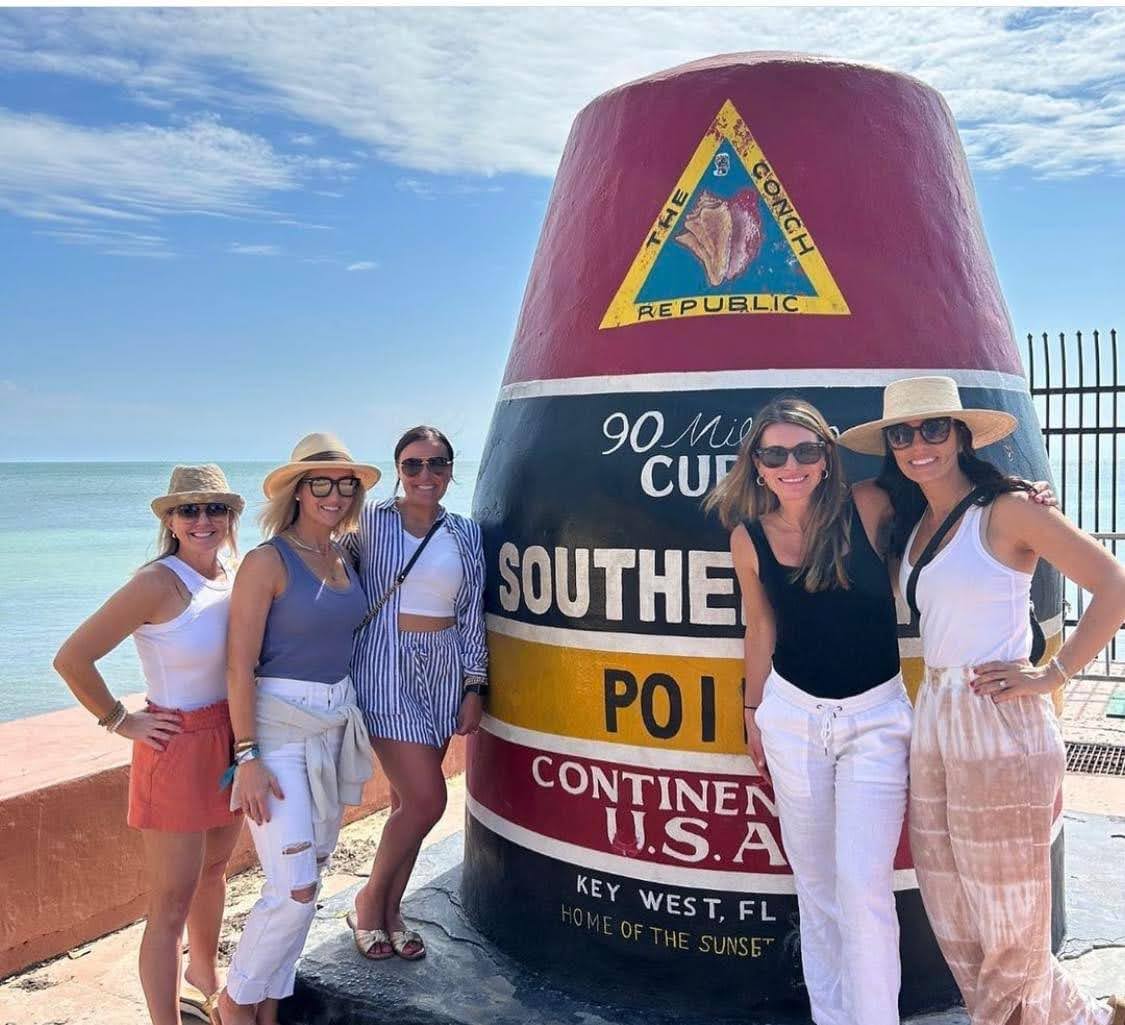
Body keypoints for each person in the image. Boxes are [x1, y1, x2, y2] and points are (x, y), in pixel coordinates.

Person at [840, 375, 1125, 1025]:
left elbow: (1112, 584)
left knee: (1008, 915)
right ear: (889, 445)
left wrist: (1053, 674)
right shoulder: (914, 523)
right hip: (936, 713)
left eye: (933, 428)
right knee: (951, 904)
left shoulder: (1007, 509)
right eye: (902, 434)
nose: (919, 445)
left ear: (961, 434)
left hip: (997, 719)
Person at [706, 396, 910, 1025]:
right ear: (756, 464)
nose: (790, 464)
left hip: (875, 717)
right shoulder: (749, 535)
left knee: (863, 886)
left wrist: (1021, 492)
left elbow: (953, 503)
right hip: (792, 719)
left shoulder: (870, 507)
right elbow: (760, 625)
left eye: (804, 450)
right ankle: (833, 1015)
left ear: (826, 456)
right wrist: (752, 712)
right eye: (774, 453)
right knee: (816, 888)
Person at [53, 465, 245, 1025]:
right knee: (168, 907)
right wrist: (120, 720)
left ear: (231, 517)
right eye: (188, 510)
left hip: (231, 738)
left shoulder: (230, 573)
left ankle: (202, 978)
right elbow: (72, 658)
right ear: (170, 520)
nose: (203, 520)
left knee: (216, 872)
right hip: (177, 745)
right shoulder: (156, 583)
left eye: (215, 509)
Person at [214, 433, 377, 1025]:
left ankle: (270, 1003)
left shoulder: (344, 554)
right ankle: (235, 999)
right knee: (295, 886)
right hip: (278, 733)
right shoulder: (266, 560)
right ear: (298, 490)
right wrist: (247, 755)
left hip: (335, 727)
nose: (333, 494)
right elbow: (239, 663)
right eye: (320, 482)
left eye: (344, 483)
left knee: (316, 869)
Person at [345, 425, 487, 961]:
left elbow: (472, 612)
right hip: (384, 667)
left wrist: (475, 683)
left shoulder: (466, 533)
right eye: (413, 465)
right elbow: (315, 563)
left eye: (437, 464)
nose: (425, 475)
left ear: (451, 470)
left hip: (445, 669)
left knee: (408, 803)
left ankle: (392, 911)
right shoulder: (369, 523)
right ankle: (368, 901)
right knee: (429, 799)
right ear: (398, 470)